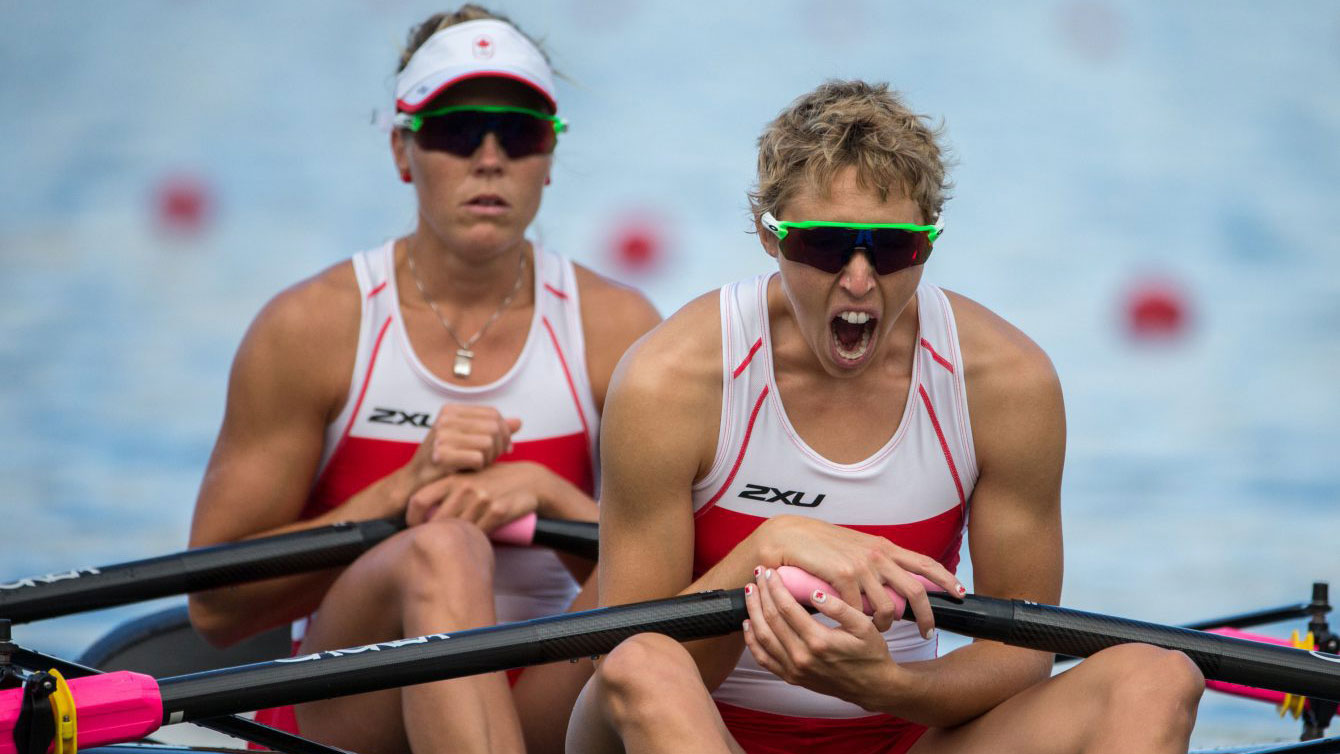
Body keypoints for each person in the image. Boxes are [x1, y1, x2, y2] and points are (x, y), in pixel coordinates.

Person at [567, 80, 1205, 754]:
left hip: (903, 734)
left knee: (1159, 677)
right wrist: (766, 550)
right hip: (704, 730)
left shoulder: (1007, 382)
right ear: (768, 236)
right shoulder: (671, 380)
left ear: (929, 242)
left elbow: (1021, 657)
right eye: (826, 245)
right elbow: (623, 664)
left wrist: (886, 686)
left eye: (894, 249)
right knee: (643, 662)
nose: (860, 279)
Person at [186, 6, 659, 754]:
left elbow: (677, 574)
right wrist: (400, 496)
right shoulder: (312, 328)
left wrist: (550, 495)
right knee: (443, 548)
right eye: (457, 131)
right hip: (349, 709)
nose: (491, 158)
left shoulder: (618, 327)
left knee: (647, 576)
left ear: (551, 157)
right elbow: (215, 609)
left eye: (522, 132)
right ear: (404, 152)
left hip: (535, 706)